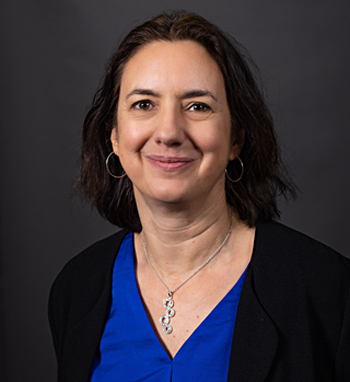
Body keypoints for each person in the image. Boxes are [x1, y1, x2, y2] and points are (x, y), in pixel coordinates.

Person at [48, 10, 350, 382]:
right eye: (144, 104)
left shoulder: (327, 289)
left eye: (197, 106)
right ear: (114, 136)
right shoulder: (77, 288)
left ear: (235, 139)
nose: (169, 132)